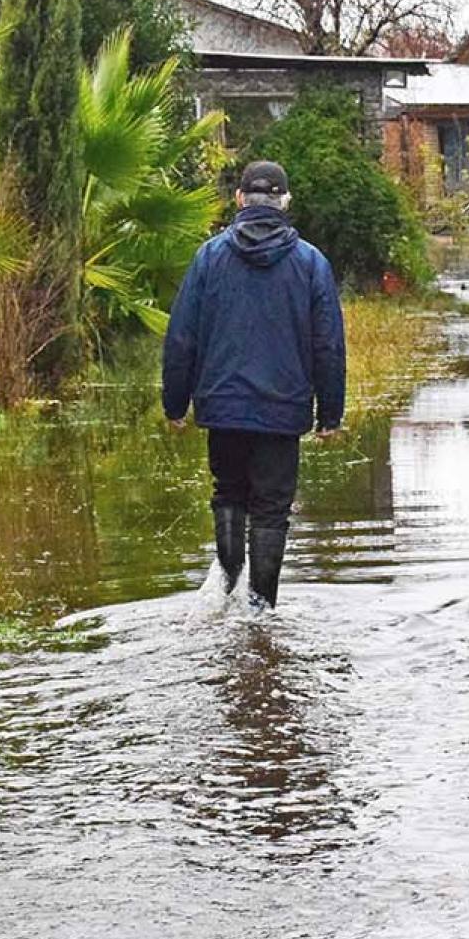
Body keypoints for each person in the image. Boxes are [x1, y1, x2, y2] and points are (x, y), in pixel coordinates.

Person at [162, 160, 345, 609]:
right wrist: (330, 413)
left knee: (228, 492)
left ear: (240, 199)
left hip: (222, 405)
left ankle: (227, 591)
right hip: (283, 410)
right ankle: (261, 610)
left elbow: (182, 336)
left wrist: (174, 402)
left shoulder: (209, 256)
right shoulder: (310, 263)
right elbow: (328, 345)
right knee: (271, 510)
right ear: (285, 202)